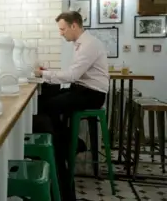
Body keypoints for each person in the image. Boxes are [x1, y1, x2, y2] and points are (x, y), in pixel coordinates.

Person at [33, 11, 109, 200]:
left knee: (48, 105)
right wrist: (47, 73)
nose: (61, 33)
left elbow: (72, 75)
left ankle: (61, 146)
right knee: (44, 100)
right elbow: (72, 74)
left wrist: (43, 74)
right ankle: (62, 142)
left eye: (62, 29)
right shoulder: (81, 44)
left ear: (74, 26)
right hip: (82, 89)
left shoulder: (89, 45)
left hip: (92, 94)